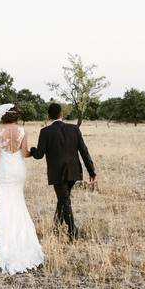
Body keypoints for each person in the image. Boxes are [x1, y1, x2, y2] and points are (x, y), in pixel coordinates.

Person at [29, 103, 96, 240]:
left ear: (49, 116)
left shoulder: (45, 131)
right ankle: (56, 226)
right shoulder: (74, 129)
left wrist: (32, 150)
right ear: (62, 114)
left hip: (57, 173)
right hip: (74, 171)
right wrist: (91, 171)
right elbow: (84, 151)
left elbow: (39, 154)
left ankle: (73, 232)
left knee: (64, 200)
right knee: (63, 198)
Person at [0, 106, 44, 273]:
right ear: (16, 116)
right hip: (19, 169)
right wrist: (33, 152)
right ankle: (24, 242)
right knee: (19, 204)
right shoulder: (22, 130)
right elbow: (24, 153)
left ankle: (7, 243)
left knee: (6, 206)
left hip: (5, 170)